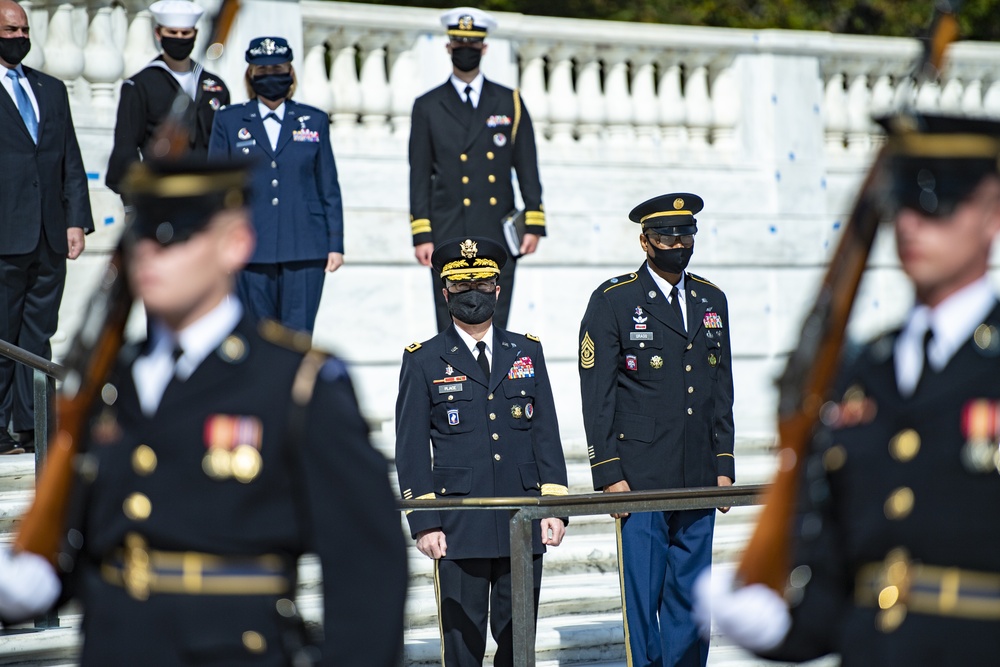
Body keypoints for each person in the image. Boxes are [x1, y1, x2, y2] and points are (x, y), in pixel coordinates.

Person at [0, 158, 408, 666]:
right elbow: (83, 545)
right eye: (140, 236)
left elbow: (368, 571)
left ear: (235, 243)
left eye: (174, 236)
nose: (150, 252)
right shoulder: (110, 382)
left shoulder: (297, 384)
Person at [698, 114, 1000, 664]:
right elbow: (840, 579)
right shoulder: (863, 372)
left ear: (991, 213)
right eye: (901, 203)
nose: (911, 225)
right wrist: (778, 631)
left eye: (938, 203)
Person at [395, 236, 568, 667]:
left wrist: (555, 506)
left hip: (522, 518)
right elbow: (411, 446)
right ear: (445, 292)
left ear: (498, 288)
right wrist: (424, 522)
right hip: (459, 524)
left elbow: (545, 431)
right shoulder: (424, 360)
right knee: (463, 646)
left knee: (518, 643)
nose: (473, 294)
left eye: (482, 285)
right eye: (461, 286)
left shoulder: (526, 352)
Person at [578, 193, 735, 667]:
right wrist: (608, 471)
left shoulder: (712, 298)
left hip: (697, 473)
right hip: (639, 474)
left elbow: (720, 386)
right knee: (643, 602)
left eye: (686, 234)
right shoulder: (614, 299)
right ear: (644, 241)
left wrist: (723, 463)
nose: (678, 243)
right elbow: (597, 391)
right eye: (666, 235)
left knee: (691, 602)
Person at [409, 7, 545, 333]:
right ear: (448, 48)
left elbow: (526, 165)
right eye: (459, 45)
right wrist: (422, 233)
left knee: (495, 314)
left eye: (473, 45)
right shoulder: (428, 105)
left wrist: (534, 221)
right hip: (448, 226)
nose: (465, 50)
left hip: (495, 227)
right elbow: (419, 173)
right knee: (450, 316)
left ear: (484, 48)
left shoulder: (509, 101)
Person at [0, 0, 92, 455]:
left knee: (38, 334)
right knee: (2, 333)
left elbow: (68, 160)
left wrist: (77, 220)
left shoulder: (50, 89)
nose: (18, 37)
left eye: (23, 30)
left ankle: (35, 426)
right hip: (4, 234)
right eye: (9, 30)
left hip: (49, 234)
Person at [209, 36, 344, 334]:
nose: (271, 76)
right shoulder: (229, 121)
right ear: (251, 75)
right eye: (263, 71)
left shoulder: (314, 120)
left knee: (298, 337)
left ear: (290, 72)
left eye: (278, 68)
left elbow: (328, 186)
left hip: (306, 245)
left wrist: (335, 243)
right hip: (249, 246)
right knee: (256, 336)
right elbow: (217, 188)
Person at [105, 0, 230, 195]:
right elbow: (126, 149)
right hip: (162, 193)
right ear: (158, 33)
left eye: (185, 33)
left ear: (195, 34)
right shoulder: (139, 85)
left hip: (207, 194)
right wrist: (131, 203)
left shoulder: (216, 87)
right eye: (172, 33)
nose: (179, 38)